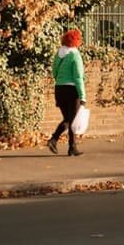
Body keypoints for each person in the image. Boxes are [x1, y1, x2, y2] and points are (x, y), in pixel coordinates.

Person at [48, 28, 86, 156]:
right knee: (72, 120)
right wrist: (82, 96)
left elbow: (54, 71)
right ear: (77, 41)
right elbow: (78, 77)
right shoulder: (75, 55)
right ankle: (55, 139)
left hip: (59, 89)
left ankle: (71, 147)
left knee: (68, 119)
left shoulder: (59, 54)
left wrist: (60, 80)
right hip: (72, 90)